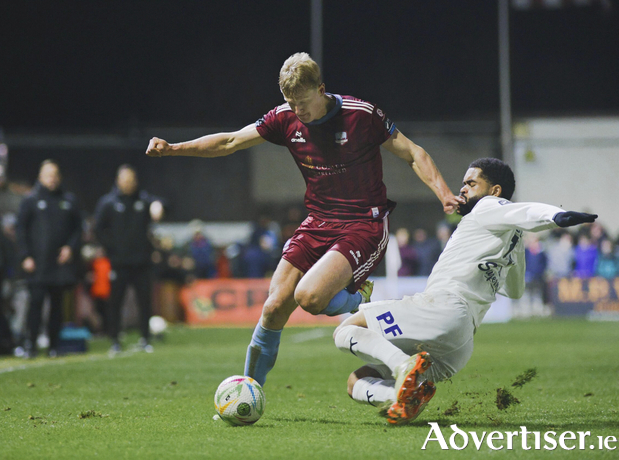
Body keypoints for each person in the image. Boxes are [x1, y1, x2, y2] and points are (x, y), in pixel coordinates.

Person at [146, 52, 459, 386]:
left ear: (322, 89)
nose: (299, 111)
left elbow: (412, 152)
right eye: (291, 103)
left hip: (362, 224)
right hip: (318, 220)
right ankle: (249, 392)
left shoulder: (361, 114)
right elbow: (230, 141)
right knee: (274, 305)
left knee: (309, 298)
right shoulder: (285, 118)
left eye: (304, 102)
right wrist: (173, 148)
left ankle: (357, 297)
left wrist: (444, 193)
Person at [333, 158, 597, 424]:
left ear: (494, 190)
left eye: (471, 183)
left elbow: (524, 210)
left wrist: (556, 217)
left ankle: (402, 366)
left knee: (345, 331)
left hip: (442, 307)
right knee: (355, 381)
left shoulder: (487, 206)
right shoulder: (510, 238)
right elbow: (515, 290)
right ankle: (400, 396)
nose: (463, 189)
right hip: (460, 343)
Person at [16, 160, 82, 358]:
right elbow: (21, 230)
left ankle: (54, 345)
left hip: (59, 265)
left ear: (59, 177)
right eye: (48, 175)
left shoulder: (68, 200)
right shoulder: (31, 200)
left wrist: (71, 248)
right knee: (35, 304)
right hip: (38, 263)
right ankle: (31, 344)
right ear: (40, 177)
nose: (51, 179)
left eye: (54, 175)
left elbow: (78, 229)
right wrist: (25, 255)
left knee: (57, 307)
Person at [94, 164, 163, 354]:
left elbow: (163, 203)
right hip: (119, 262)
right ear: (118, 181)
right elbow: (98, 229)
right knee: (115, 302)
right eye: (125, 180)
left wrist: (158, 205)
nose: (128, 184)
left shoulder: (144, 200)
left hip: (142, 262)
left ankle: (145, 338)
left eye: (131, 180)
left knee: (145, 302)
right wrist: (113, 249)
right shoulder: (108, 203)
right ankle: (115, 339)